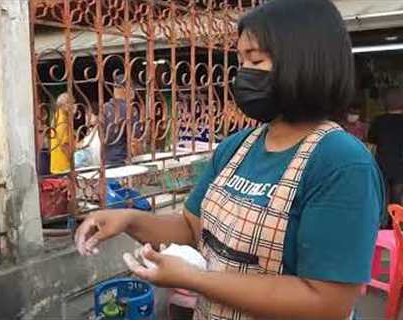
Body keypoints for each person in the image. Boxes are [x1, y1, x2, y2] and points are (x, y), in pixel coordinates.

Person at [75, 1, 383, 319]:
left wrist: (195, 279)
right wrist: (128, 219)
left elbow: (327, 302)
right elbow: (192, 228)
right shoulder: (237, 147)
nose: (243, 73)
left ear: (305, 63)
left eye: (256, 60)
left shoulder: (341, 164)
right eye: (241, 60)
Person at [368, 88, 403, 207]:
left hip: (381, 164)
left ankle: (379, 222)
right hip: (400, 166)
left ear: (384, 104)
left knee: (379, 196)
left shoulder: (378, 121)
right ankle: (394, 222)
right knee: (396, 197)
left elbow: (371, 145)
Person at [103, 75, 139, 166]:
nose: (134, 93)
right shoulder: (130, 110)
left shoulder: (104, 108)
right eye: (133, 89)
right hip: (123, 162)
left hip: (105, 161)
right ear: (126, 89)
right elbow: (134, 142)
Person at [50, 92, 74, 174]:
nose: (73, 106)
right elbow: (64, 144)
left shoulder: (58, 116)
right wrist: (72, 160)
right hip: (63, 166)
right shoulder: (62, 120)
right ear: (64, 105)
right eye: (71, 103)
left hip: (57, 164)